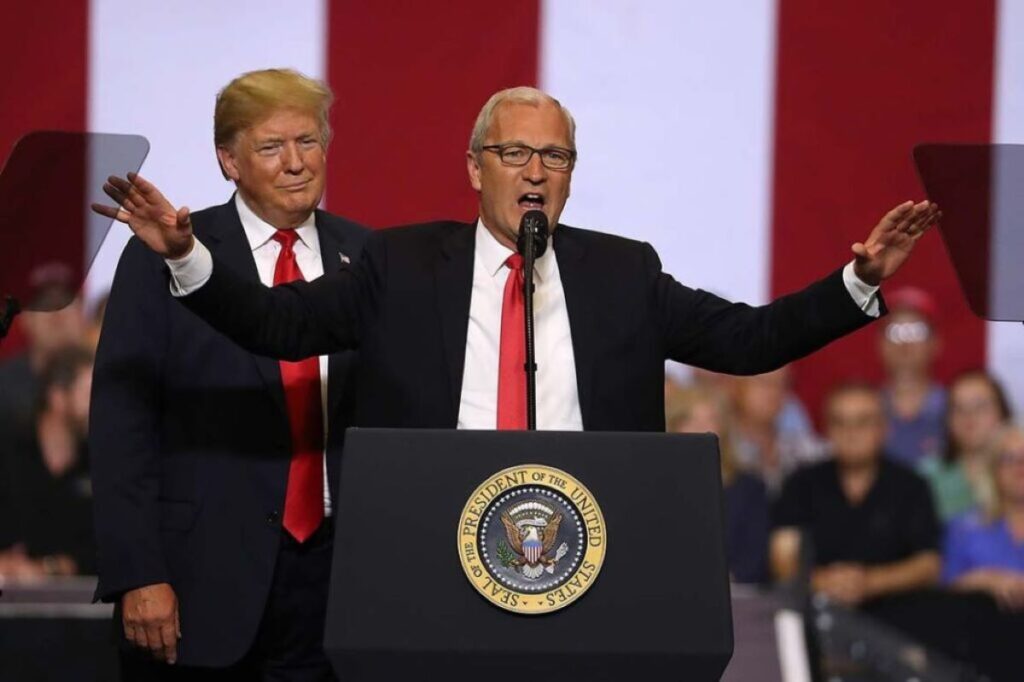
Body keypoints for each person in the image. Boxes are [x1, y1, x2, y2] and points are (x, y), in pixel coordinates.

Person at [94, 86, 938, 437]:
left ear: (571, 175)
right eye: (515, 155)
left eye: (555, 158)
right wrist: (190, 255)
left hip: (590, 541)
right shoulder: (399, 264)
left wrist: (858, 280)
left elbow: (749, 342)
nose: (535, 172)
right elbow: (279, 326)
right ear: (475, 168)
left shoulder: (623, 273)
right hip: (432, 542)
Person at [89, 69, 367, 678]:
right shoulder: (164, 251)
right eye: (271, 147)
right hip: (201, 581)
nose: (296, 163)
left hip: (338, 581)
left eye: (309, 141)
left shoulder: (367, 257)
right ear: (228, 161)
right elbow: (121, 424)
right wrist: (139, 573)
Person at [771, 383, 941, 606]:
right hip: (814, 613)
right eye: (839, 422)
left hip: (897, 619)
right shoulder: (801, 483)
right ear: (827, 429)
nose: (851, 433)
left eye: (862, 422)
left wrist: (870, 582)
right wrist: (821, 582)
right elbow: (782, 556)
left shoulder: (912, 486)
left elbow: (929, 564)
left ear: (884, 429)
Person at [0, 346, 95, 581]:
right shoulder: (7, 447)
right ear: (57, 397)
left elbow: (104, 549)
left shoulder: (99, 463)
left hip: (82, 606)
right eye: (89, 395)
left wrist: (49, 568)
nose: (100, 408)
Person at [667, 385, 770, 584]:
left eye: (710, 419)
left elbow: (754, 560)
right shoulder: (656, 488)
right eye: (690, 419)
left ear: (724, 427)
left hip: (734, 598)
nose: (700, 428)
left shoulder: (750, 489)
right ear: (673, 425)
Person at [942, 426, 1024, 609]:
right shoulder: (963, 527)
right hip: (979, 627)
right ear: (993, 471)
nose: (1020, 466)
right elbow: (945, 589)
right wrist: (984, 580)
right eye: (1009, 459)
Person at [919, 370, 1012, 523]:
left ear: (1003, 413)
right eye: (958, 408)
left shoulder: (1018, 472)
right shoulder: (926, 477)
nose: (969, 417)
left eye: (980, 406)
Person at [731, 366, 826, 495]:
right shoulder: (723, 448)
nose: (774, 392)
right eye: (764, 383)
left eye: (782, 384)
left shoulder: (804, 449)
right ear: (736, 387)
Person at [878, 287, 946, 466]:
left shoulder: (955, 410)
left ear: (936, 343)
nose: (905, 343)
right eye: (895, 332)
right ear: (880, 344)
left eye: (916, 331)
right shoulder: (865, 411)